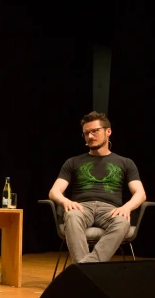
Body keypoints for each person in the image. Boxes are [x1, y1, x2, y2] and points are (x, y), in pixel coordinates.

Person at [47, 111, 146, 264]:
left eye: (95, 131)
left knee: (123, 222)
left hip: (110, 209)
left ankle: (84, 269)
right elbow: (54, 191)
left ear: (108, 131)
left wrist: (127, 207)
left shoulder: (125, 162)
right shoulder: (73, 162)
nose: (90, 136)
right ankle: (91, 272)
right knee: (72, 216)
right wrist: (65, 201)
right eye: (86, 133)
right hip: (81, 207)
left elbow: (140, 193)